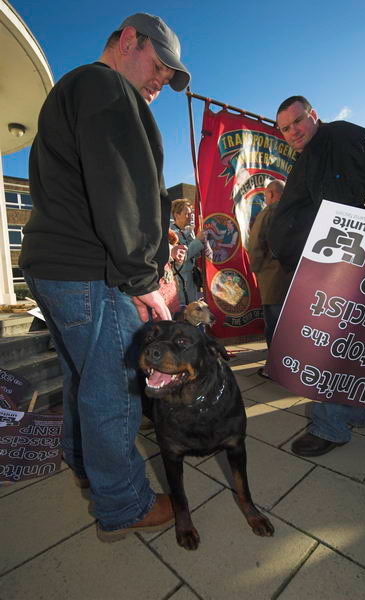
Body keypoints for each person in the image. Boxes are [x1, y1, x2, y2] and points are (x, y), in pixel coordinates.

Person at [18, 13, 191, 540]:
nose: (162, 80)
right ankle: (124, 504)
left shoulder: (71, 92)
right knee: (114, 387)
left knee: (80, 378)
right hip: (90, 269)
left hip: (56, 267)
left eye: (169, 74)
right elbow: (122, 189)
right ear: (128, 41)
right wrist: (143, 277)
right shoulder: (106, 85)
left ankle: (85, 463)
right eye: (158, 64)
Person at [269, 96, 365, 457]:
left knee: (331, 343)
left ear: (313, 115)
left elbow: (349, 201)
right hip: (333, 255)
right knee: (352, 340)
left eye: (298, 121)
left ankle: (330, 424)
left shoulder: (341, 137)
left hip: (338, 258)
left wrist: (331, 258)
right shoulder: (312, 154)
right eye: (285, 128)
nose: (292, 131)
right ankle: (354, 410)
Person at [247, 179, 289, 356]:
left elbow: (255, 243)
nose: (265, 199)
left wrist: (256, 269)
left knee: (274, 322)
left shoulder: (269, 212)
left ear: (271, 194)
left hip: (272, 276)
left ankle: (275, 365)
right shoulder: (295, 211)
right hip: (293, 276)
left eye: (265, 195)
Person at [170, 199, 206, 305]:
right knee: (184, 311)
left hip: (191, 279)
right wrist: (198, 241)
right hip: (180, 281)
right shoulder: (171, 234)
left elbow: (196, 254)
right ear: (176, 215)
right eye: (187, 214)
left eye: (191, 213)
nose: (190, 216)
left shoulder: (188, 231)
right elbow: (180, 258)